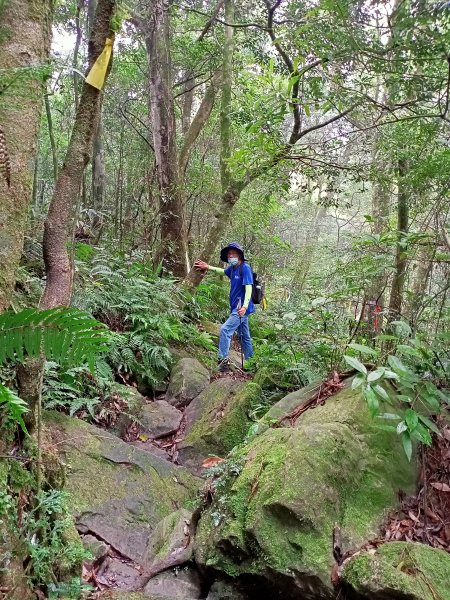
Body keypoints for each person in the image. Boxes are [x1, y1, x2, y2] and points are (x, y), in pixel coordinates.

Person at [194, 242, 254, 372]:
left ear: (239, 255)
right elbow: (222, 271)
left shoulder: (245, 268)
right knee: (244, 336)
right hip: (236, 307)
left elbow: (249, 287)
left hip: (241, 309)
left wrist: (244, 307)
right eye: (229, 254)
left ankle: (223, 360)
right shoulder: (232, 269)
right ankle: (251, 361)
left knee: (225, 330)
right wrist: (207, 267)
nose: (230, 255)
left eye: (233, 253)